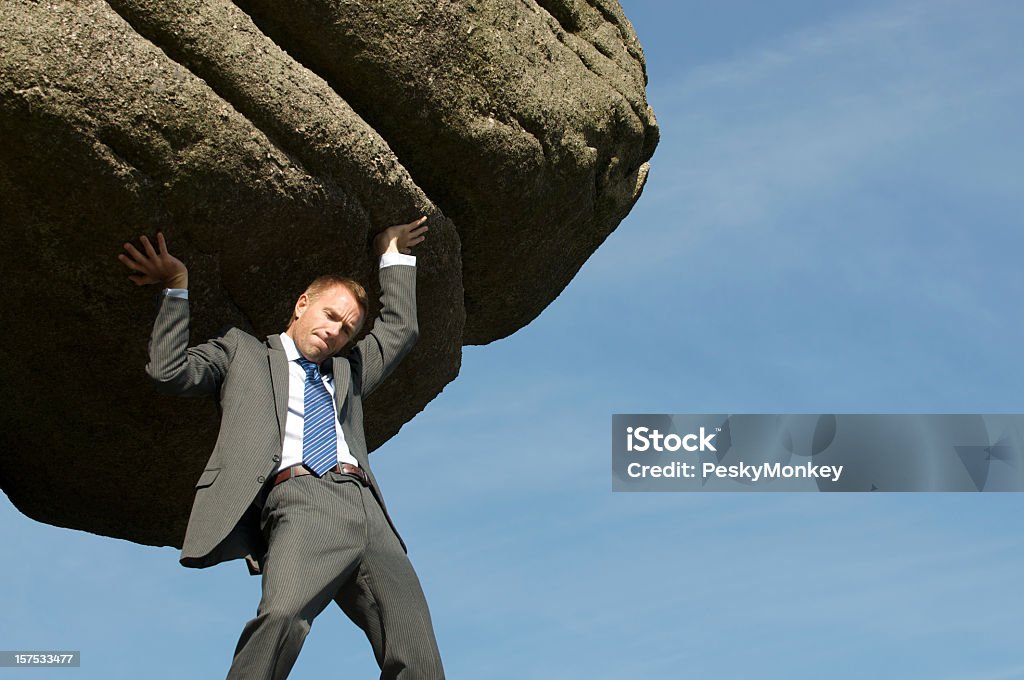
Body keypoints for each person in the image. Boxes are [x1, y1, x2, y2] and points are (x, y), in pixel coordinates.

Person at [119, 217, 444, 679]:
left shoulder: (349, 370)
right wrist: (175, 285)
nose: (336, 332)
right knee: (281, 619)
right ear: (301, 304)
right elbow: (169, 372)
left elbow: (400, 329)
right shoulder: (242, 352)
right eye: (331, 316)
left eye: (348, 329)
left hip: (368, 509)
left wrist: (390, 251)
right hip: (299, 499)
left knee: (418, 654)